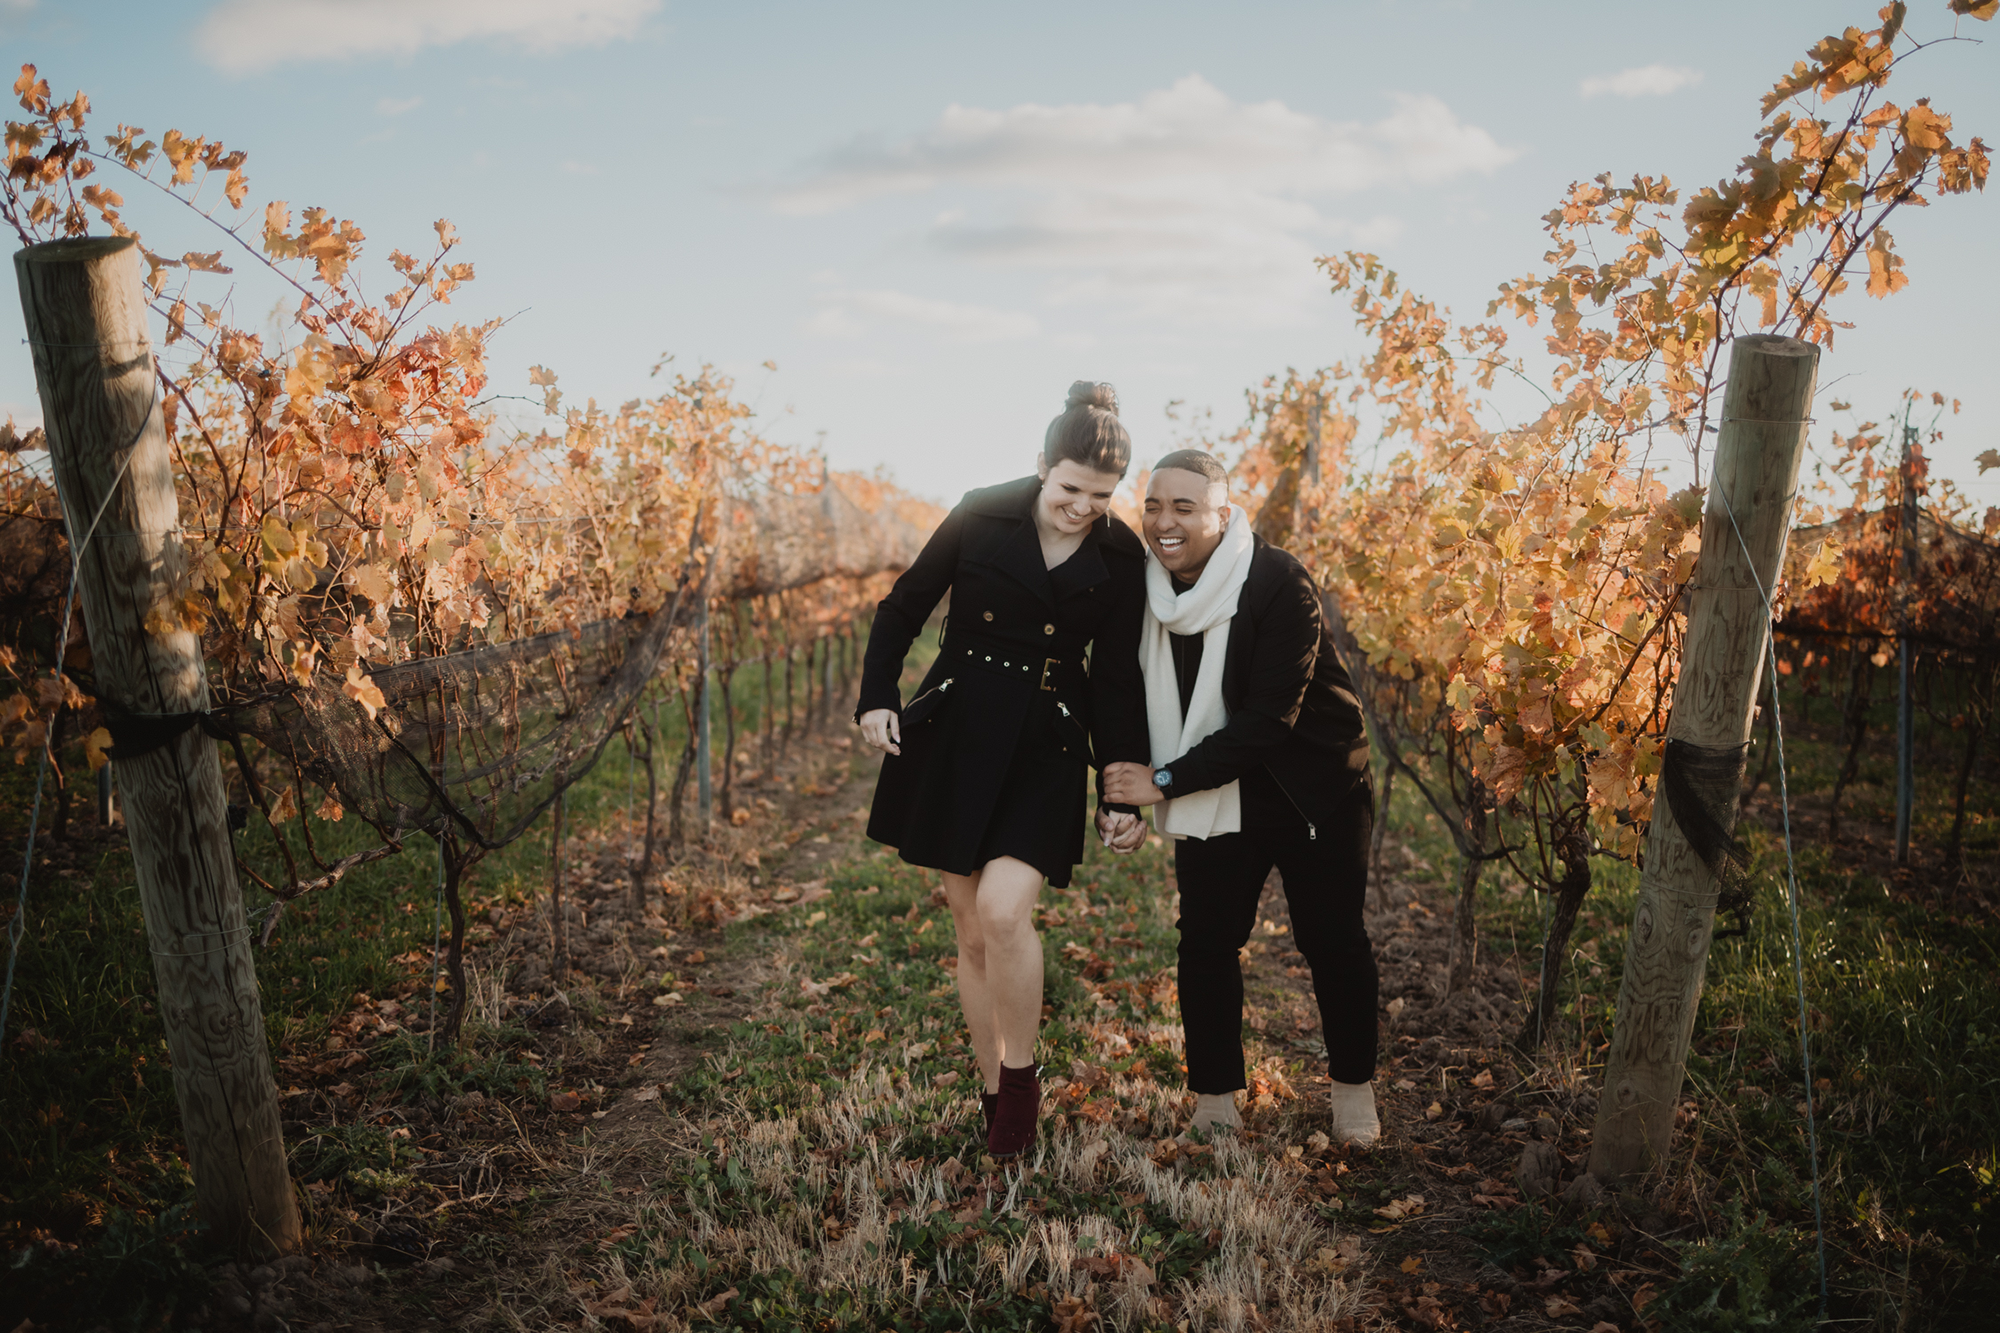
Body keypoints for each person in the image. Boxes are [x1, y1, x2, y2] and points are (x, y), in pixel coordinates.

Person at [854, 381, 1149, 1160]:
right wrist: (876, 696)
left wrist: (1120, 786)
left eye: (1101, 495)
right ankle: (991, 1088)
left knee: (1005, 911)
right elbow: (904, 605)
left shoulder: (1123, 555)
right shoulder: (980, 511)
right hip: (958, 728)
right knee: (971, 929)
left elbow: (1118, 677)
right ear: (1042, 465)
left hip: (1049, 741)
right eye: (1070, 488)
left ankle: (1020, 1084)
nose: (1082, 507)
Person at [1099, 448, 1382, 1145]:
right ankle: (1216, 1097)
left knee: (1332, 940)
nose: (1164, 521)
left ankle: (1353, 1088)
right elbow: (1119, 688)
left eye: (1184, 507)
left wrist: (1163, 782)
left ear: (1222, 516)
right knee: (1206, 940)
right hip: (1214, 795)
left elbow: (1268, 720)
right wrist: (1121, 797)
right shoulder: (1139, 588)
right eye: (1153, 505)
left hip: (1312, 787)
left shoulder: (1277, 581)